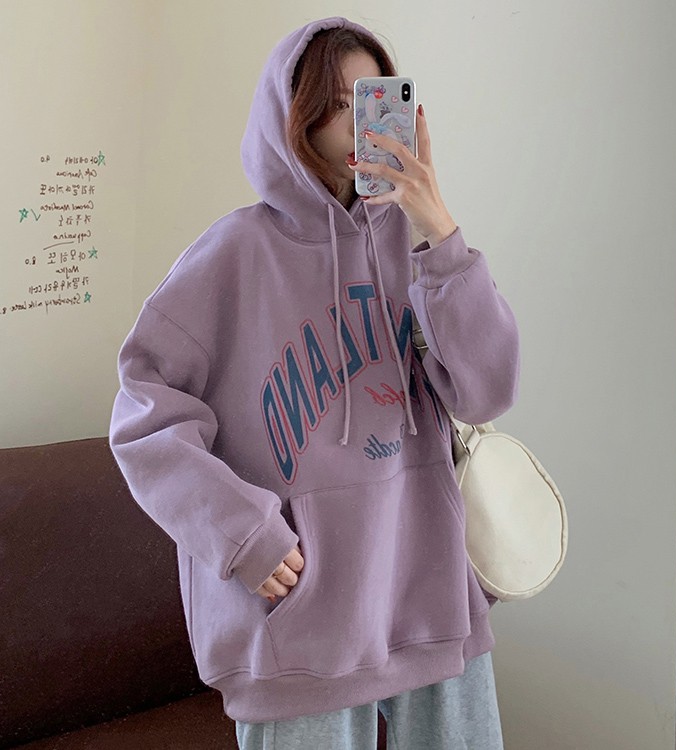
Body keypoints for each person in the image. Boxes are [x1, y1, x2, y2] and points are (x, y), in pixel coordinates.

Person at [109, 15, 519, 750]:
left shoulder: (418, 244)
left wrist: (436, 225)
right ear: (294, 116)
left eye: (374, 98)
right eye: (336, 102)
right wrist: (244, 534)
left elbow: (486, 391)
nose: (359, 121)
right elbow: (143, 419)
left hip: (430, 601)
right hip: (299, 626)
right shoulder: (233, 255)